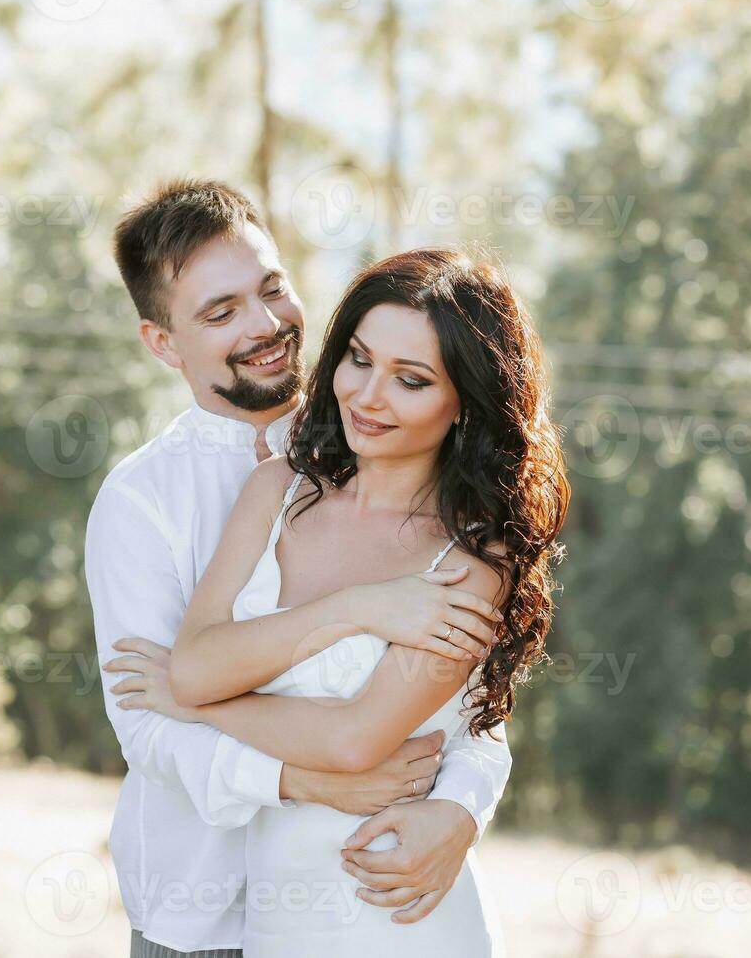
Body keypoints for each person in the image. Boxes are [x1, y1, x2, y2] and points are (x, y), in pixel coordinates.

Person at [88, 180, 514, 958]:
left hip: (376, 896)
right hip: (201, 915)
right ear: (163, 342)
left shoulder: (381, 443)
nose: (264, 325)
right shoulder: (141, 501)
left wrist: (460, 808)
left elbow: (469, 711)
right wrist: (310, 781)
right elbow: (144, 717)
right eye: (220, 313)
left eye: (272, 290)